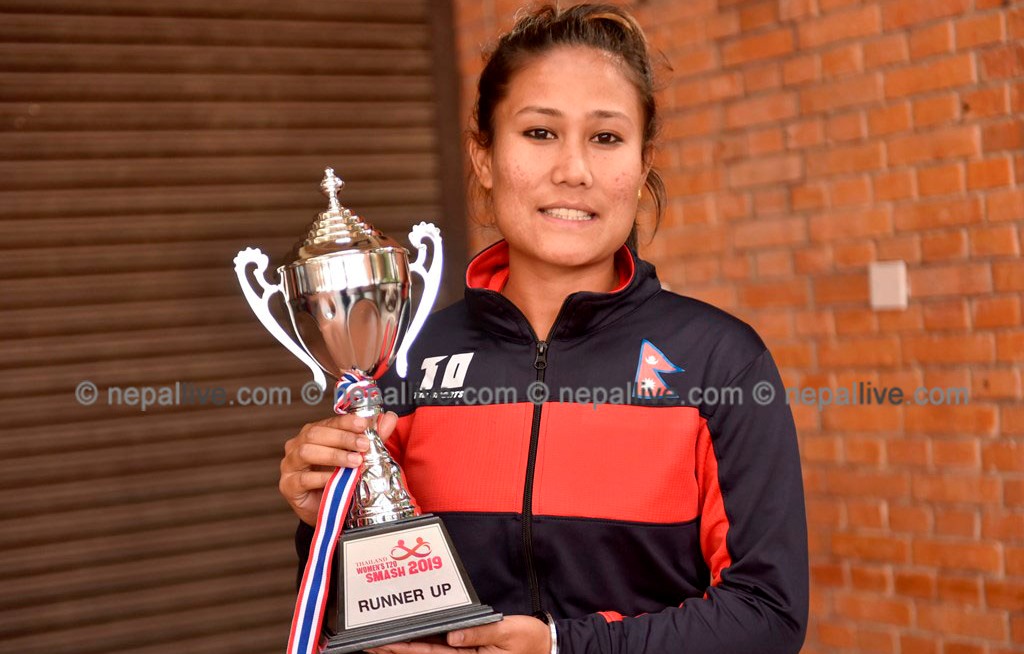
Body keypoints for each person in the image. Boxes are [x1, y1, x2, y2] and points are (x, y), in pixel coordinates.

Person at [279, 4, 808, 653]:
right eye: (539, 132)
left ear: (643, 165)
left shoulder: (720, 362)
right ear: (483, 156)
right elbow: (367, 618)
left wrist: (562, 646)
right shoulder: (405, 361)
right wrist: (324, 520)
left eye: (606, 137)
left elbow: (767, 615)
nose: (573, 170)